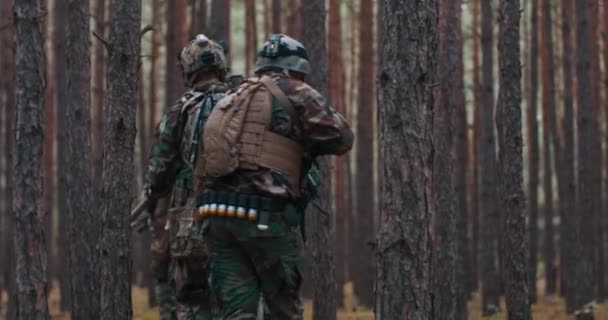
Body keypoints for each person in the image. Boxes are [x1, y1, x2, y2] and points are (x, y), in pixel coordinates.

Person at [194, 34, 354, 320]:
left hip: (214, 214)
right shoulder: (295, 90)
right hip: (265, 215)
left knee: (235, 313)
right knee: (283, 312)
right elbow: (342, 137)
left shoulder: (233, 95)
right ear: (295, 69)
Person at [144, 34, 230, 320]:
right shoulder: (244, 103)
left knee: (193, 305)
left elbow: (158, 175)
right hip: (242, 222)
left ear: (188, 71)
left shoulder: (179, 111)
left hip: (191, 226)